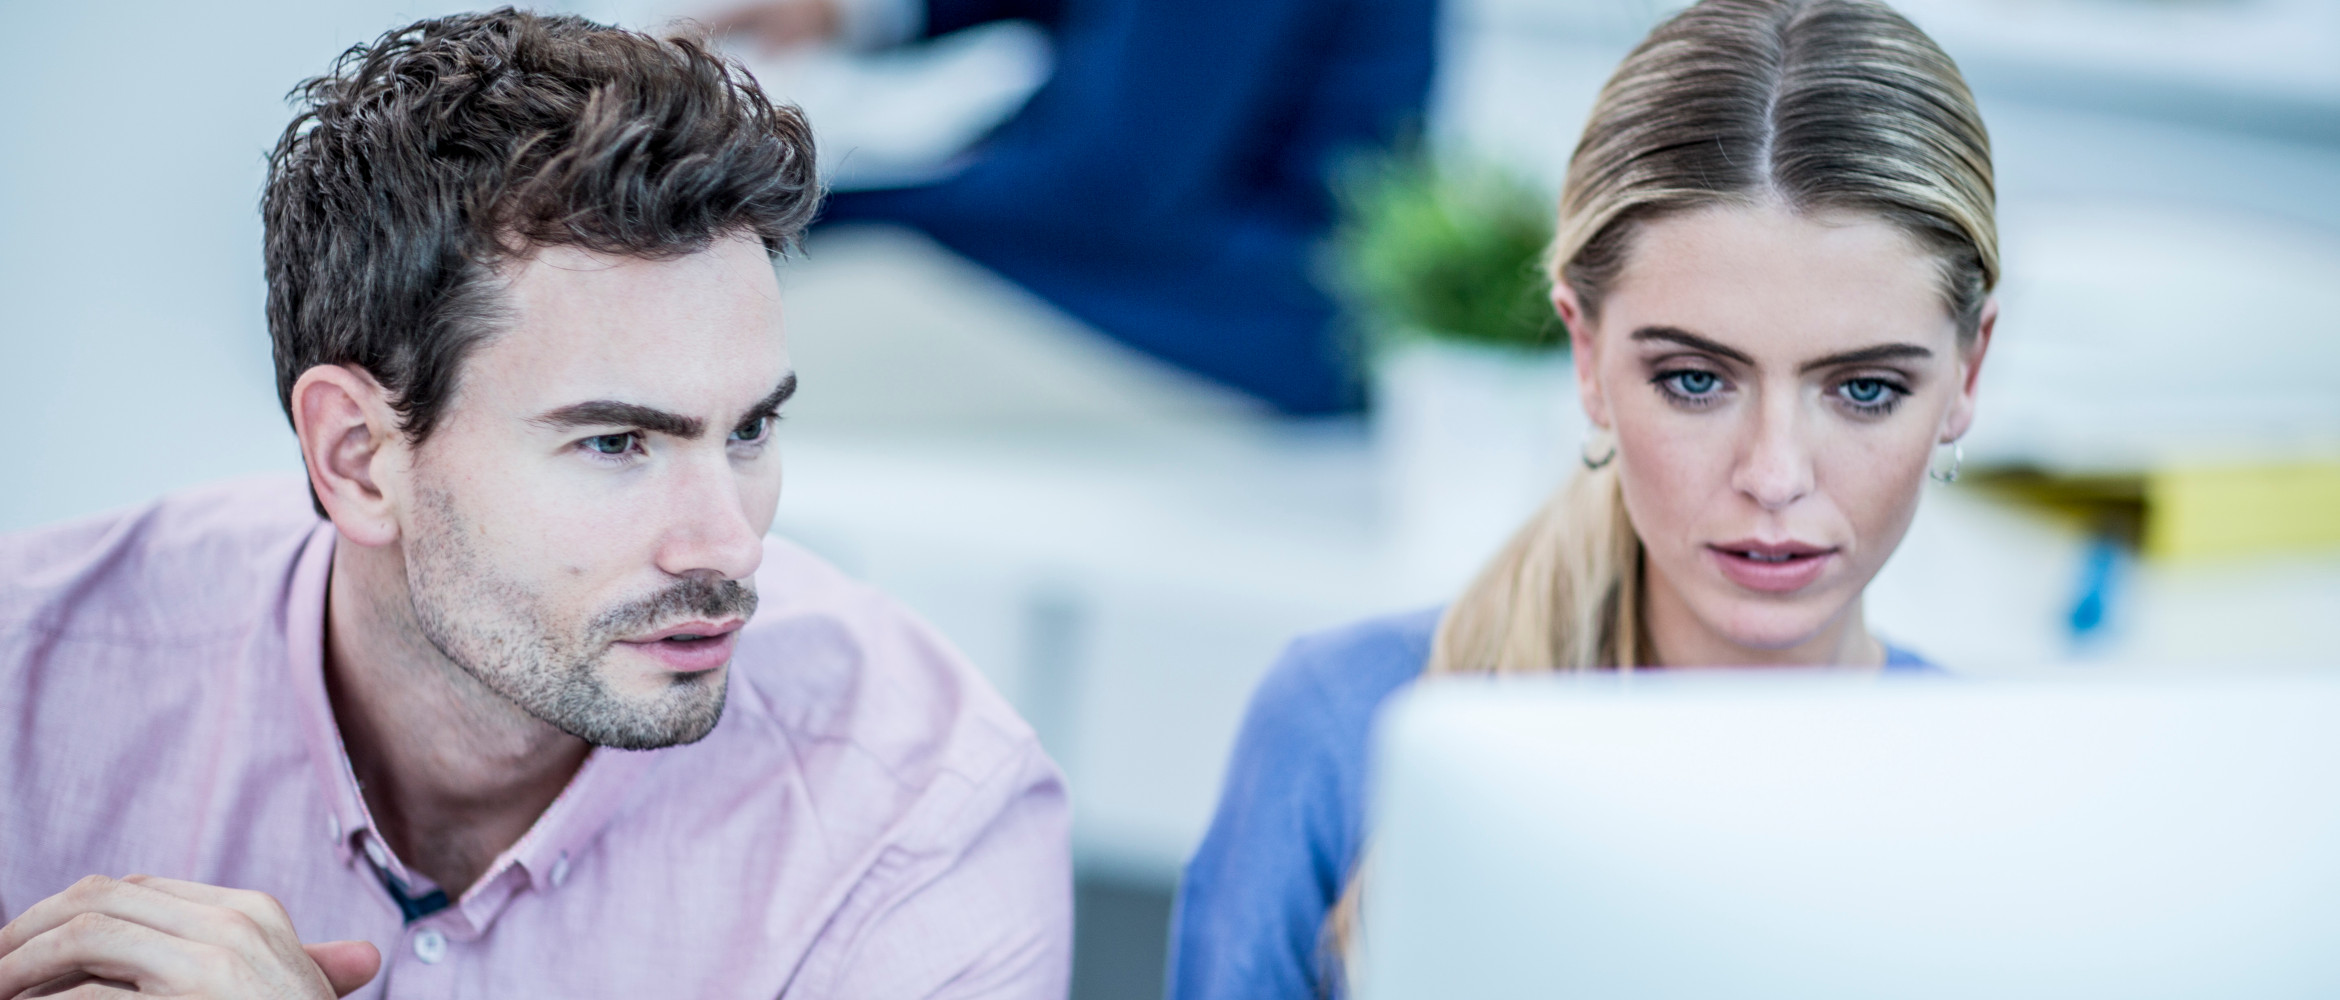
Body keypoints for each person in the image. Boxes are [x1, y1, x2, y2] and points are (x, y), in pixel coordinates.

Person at [0, 11, 1068, 999]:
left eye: (746, 429)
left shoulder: (924, 818)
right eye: (615, 442)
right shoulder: (27, 692)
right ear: (359, 456)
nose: (731, 546)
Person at [1167, 0, 1999, 995]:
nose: (1775, 475)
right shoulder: (1350, 729)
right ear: (1587, 356)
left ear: (1969, 372)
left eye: (1866, 389)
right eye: (1695, 379)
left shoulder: (1997, 800)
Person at [708, 0, 1438, 414]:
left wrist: (797, 200)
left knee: (733, 350)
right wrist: (850, 13)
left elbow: (1111, 189)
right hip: (1197, 281)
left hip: (1237, 325)